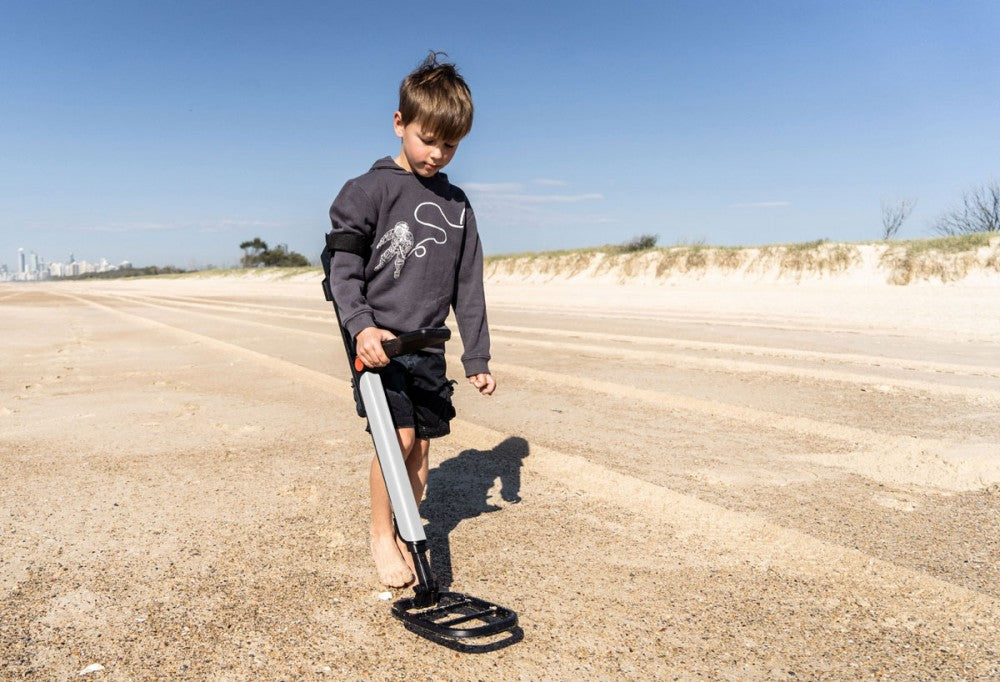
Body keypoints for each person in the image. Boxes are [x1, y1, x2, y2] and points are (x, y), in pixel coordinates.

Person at [326, 53, 495, 588]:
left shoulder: (457, 203)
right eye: (428, 140)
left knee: (421, 447)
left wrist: (476, 356)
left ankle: (404, 528)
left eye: (450, 145)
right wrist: (361, 326)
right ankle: (381, 536)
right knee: (396, 439)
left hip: (427, 345)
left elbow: (469, 285)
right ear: (400, 123)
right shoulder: (366, 190)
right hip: (377, 344)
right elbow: (342, 269)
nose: (438, 154)